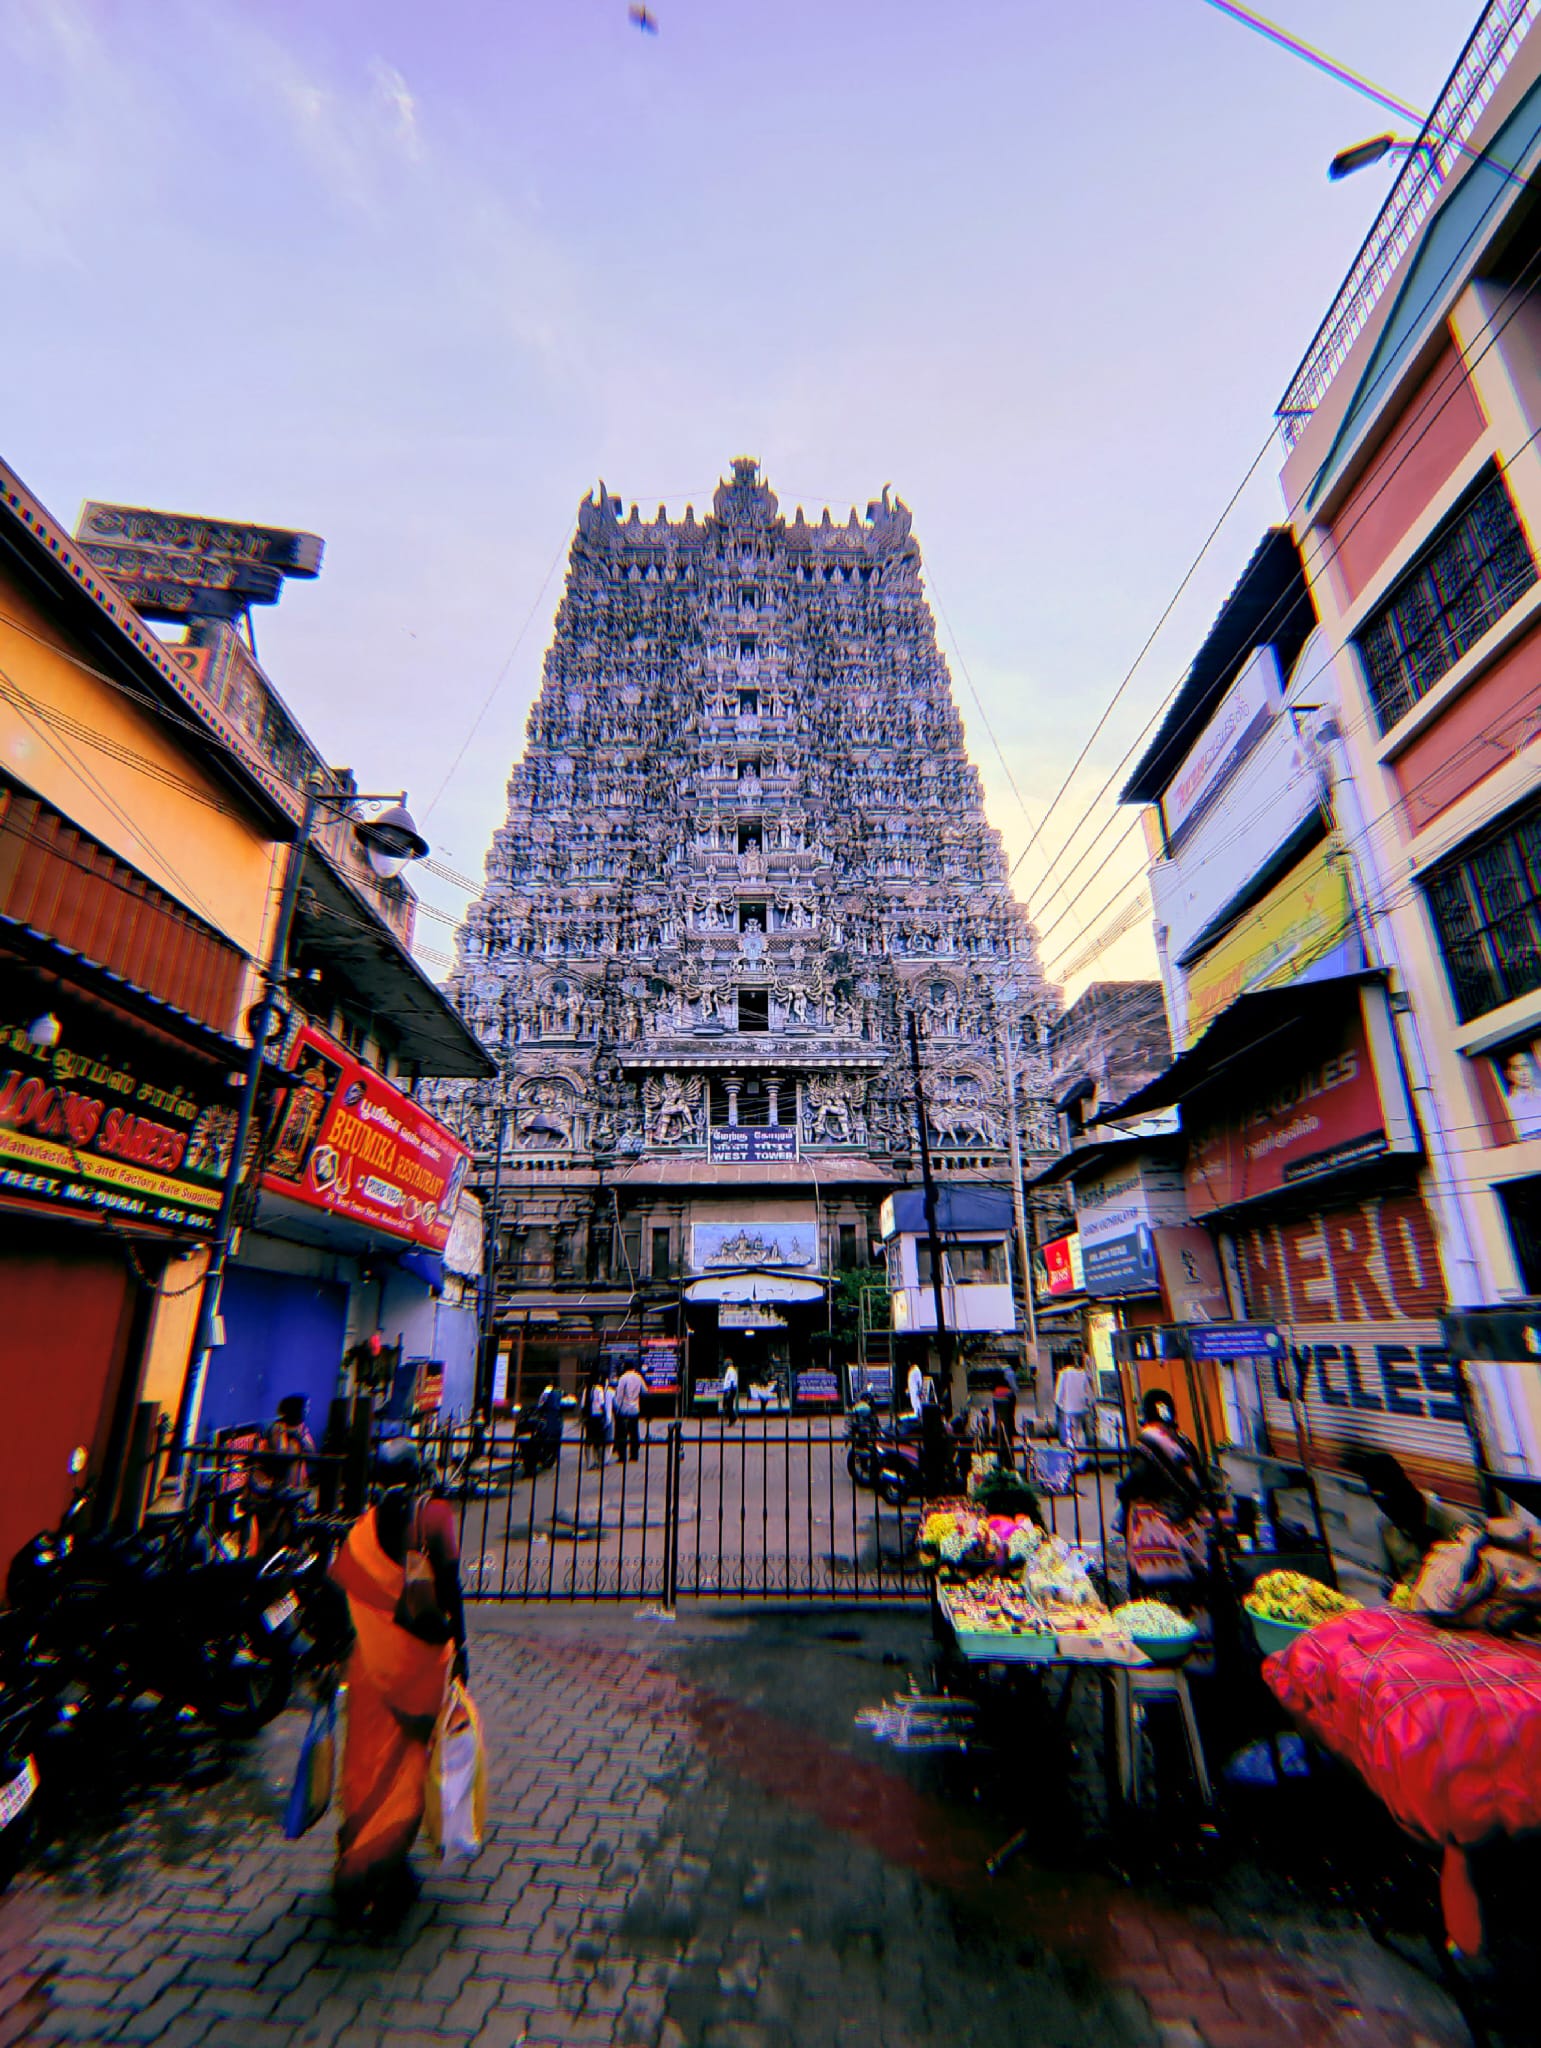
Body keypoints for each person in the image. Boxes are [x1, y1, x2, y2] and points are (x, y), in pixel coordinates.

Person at [329, 1438, 468, 1930]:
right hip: (416, 1667)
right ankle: (382, 1873)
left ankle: (362, 1857)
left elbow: (339, 1591)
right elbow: (449, 1586)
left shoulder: (362, 1530)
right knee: (406, 1769)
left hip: (369, 1666)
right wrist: (463, 1646)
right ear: (418, 1474)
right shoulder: (431, 1518)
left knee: (366, 1767)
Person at [1116, 1390, 1214, 1596]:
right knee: (1193, 1590)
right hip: (1190, 1526)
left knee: (1161, 1596)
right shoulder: (1183, 1441)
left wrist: (1123, 1491)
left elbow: (1135, 1482)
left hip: (1160, 1533)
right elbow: (1201, 1479)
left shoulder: (1147, 1443)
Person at [1342, 1448, 1484, 1588]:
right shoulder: (1387, 1526)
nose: (1390, 1512)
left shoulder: (1457, 1524)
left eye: (1394, 1503)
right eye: (1380, 1502)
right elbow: (1390, 1580)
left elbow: (1477, 1584)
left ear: (1407, 1492)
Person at [1053, 1355, 1091, 1451]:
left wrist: (1061, 1405)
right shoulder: (1082, 1374)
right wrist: (1088, 1404)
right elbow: (1088, 1392)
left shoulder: (1063, 1374)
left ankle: (1073, 1447)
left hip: (1069, 1407)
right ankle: (1082, 1446)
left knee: (1070, 1429)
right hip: (1081, 1406)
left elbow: (1059, 1393)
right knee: (1080, 1428)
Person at [614, 1360, 645, 1462]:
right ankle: (634, 1455)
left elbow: (619, 1395)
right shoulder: (638, 1377)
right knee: (634, 1432)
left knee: (622, 1433)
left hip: (624, 1409)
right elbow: (645, 1390)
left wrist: (617, 1408)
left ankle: (622, 1456)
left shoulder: (623, 1378)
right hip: (635, 1408)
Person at [582, 1372, 611, 1467]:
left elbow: (582, 1405)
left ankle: (588, 1463)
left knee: (589, 1440)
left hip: (589, 1417)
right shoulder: (599, 1389)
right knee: (598, 1440)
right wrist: (605, 1415)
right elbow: (601, 1404)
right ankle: (598, 1461)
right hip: (597, 1417)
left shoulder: (586, 1390)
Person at [721, 1358, 739, 1426]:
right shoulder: (729, 1370)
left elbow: (731, 1381)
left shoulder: (731, 1370)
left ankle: (733, 1418)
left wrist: (729, 1391)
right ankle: (731, 1419)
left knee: (728, 1405)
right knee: (727, 1405)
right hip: (728, 1390)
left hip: (730, 1390)